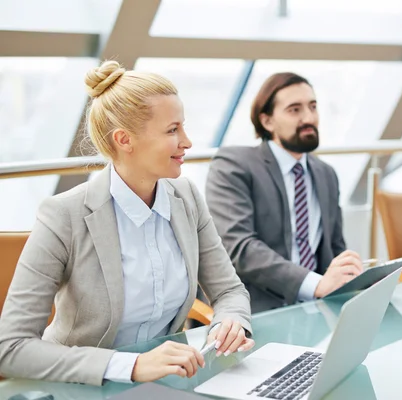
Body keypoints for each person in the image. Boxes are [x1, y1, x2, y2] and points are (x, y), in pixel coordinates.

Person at [0, 61, 254, 386]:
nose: (187, 142)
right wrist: (130, 366)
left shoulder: (186, 197)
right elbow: (11, 347)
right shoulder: (64, 215)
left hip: (165, 384)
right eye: (172, 130)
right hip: (78, 387)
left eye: (183, 127)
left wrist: (230, 323)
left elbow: (229, 289)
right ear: (124, 140)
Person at [205, 72, 363, 312]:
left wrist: (350, 276)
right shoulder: (234, 165)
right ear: (267, 121)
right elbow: (240, 248)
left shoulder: (326, 174)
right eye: (294, 110)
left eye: (312, 107)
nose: (309, 118)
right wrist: (315, 284)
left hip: (319, 308)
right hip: (256, 312)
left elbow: (334, 247)